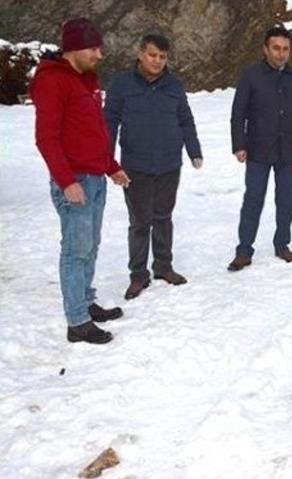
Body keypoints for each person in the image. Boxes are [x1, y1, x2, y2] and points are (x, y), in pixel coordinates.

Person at [30, 18, 131, 344]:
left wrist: (111, 166)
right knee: (75, 251)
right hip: (74, 182)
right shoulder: (52, 81)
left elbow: (94, 132)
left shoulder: (86, 78)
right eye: (94, 48)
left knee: (90, 246)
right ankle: (77, 322)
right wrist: (66, 181)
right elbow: (46, 138)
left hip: (94, 178)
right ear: (74, 48)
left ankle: (85, 303)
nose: (99, 54)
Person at [104, 33, 203, 300]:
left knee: (163, 217)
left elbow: (185, 119)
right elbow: (109, 123)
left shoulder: (174, 85)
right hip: (135, 166)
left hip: (169, 164)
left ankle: (163, 267)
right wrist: (108, 162)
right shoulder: (121, 84)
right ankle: (138, 275)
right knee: (139, 222)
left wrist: (194, 150)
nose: (157, 61)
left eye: (162, 56)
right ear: (140, 54)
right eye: (152, 55)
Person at [228, 26, 292, 271]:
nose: (281, 54)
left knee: (286, 202)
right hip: (257, 150)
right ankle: (244, 250)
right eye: (276, 48)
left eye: (285, 49)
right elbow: (238, 113)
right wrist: (239, 144)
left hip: (288, 151)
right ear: (265, 49)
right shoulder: (251, 75)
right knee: (253, 200)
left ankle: (282, 245)